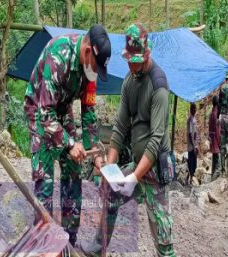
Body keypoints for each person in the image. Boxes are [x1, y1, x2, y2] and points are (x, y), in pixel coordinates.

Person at [80, 23, 175, 257]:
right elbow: (120, 127)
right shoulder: (129, 82)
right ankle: (98, 247)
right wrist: (112, 168)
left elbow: (156, 139)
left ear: (147, 54)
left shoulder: (159, 86)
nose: (132, 65)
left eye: (136, 60)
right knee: (112, 193)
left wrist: (135, 176)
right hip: (136, 162)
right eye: (129, 60)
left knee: (161, 232)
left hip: (154, 168)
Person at [24, 24, 111, 246]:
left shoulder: (90, 71)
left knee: (73, 170)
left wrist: (95, 155)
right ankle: (42, 242)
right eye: (95, 65)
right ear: (88, 51)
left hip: (61, 111)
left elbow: (89, 111)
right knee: (45, 180)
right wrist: (70, 143)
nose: (95, 73)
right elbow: (45, 112)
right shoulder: (58, 56)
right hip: (40, 111)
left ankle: (68, 242)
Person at [209, 96, 221, 179]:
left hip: (212, 139)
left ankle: (212, 174)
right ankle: (214, 177)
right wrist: (220, 140)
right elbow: (218, 130)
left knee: (214, 158)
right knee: (217, 160)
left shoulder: (211, 113)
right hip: (216, 139)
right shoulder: (216, 114)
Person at [187, 103, 198, 185]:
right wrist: (194, 146)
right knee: (191, 162)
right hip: (191, 146)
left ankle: (192, 177)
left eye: (195, 108)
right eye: (193, 109)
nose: (194, 110)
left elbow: (195, 133)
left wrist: (196, 145)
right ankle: (190, 179)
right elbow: (190, 134)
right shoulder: (190, 120)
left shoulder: (194, 119)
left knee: (194, 162)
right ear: (191, 110)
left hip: (195, 145)